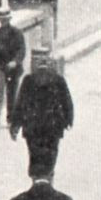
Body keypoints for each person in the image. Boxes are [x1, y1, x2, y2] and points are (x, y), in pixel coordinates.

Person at [11, 48, 75, 176]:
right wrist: (69, 120)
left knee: (34, 155)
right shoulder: (58, 80)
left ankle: (37, 180)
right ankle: (48, 178)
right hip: (53, 126)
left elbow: (20, 104)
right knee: (51, 153)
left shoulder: (28, 80)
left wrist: (15, 125)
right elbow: (67, 102)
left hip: (32, 126)